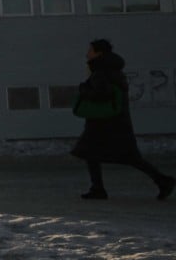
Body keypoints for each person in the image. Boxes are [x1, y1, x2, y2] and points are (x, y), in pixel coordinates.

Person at [71, 39, 174, 200]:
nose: (87, 53)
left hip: (104, 123)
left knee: (100, 153)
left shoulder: (101, 71)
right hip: (115, 121)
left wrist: (84, 89)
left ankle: (163, 180)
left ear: (99, 53)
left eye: (90, 50)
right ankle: (98, 188)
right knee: (100, 154)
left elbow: (101, 94)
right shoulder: (113, 69)